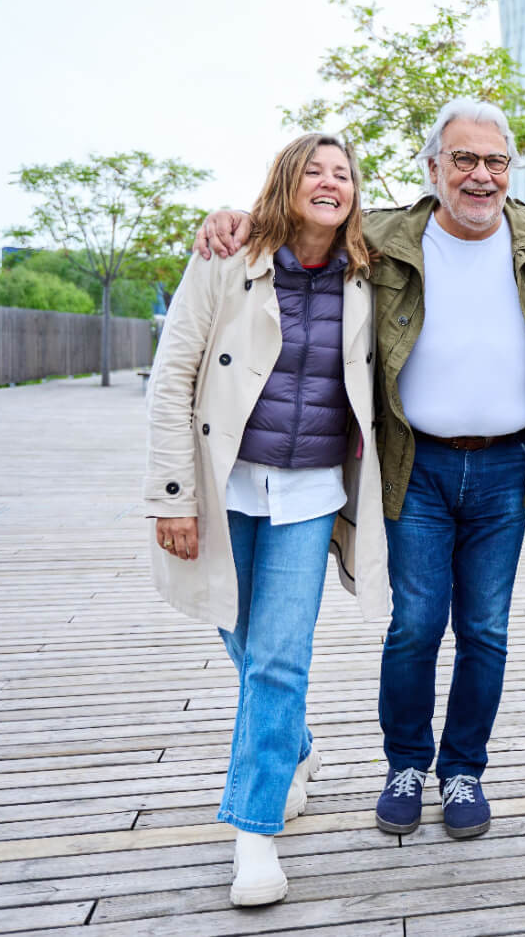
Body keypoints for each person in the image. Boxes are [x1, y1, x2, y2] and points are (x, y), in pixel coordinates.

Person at [196, 99, 525, 841]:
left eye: (494, 161)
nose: (480, 176)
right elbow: (301, 225)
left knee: (488, 628)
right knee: (414, 625)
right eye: (463, 160)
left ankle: (464, 769)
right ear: (432, 167)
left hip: (506, 467)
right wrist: (230, 214)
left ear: (511, 171)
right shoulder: (381, 238)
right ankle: (406, 762)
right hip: (414, 463)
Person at [147, 133, 388, 906]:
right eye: (313, 171)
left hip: (312, 493)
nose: (329, 182)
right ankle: (296, 745)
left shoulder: (369, 271)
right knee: (242, 637)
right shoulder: (228, 257)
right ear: (285, 183)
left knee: (279, 659)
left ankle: (254, 836)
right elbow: (172, 375)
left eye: (342, 174)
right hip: (226, 486)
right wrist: (173, 494)